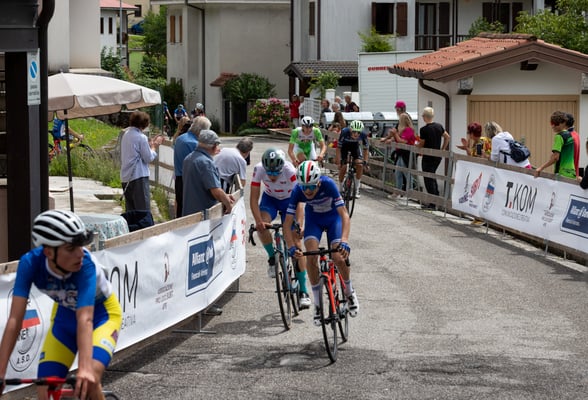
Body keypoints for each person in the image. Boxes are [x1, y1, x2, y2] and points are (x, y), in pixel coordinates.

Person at [0, 210, 122, 400]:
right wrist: (1, 372)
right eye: (71, 248)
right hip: (65, 317)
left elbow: (85, 318)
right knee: (46, 388)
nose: (80, 253)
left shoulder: (86, 265)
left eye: (81, 245)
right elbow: (15, 319)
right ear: (49, 252)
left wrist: (85, 368)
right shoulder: (29, 263)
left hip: (101, 316)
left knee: (89, 380)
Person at [283, 161, 359, 326]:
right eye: (304, 187)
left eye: (311, 186)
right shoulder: (297, 190)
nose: (308, 191)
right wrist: (291, 247)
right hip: (314, 221)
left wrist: (344, 240)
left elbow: (344, 215)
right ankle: (317, 304)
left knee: (338, 257)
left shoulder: (328, 184)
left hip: (333, 219)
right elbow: (287, 223)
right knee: (311, 257)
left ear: (318, 182)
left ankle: (349, 291)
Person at [249, 148, 311, 308]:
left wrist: (299, 223)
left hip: (290, 201)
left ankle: (304, 291)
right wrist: (258, 221)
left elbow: (300, 201)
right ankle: (272, 257)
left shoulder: (290, 170)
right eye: (269, 173)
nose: (272, 177)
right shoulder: (258, 169)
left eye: (275, 173)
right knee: (262, 226)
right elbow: (253, 199)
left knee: (296, 243)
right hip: (270, 199)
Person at [182, 130, 235, 216]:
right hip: (203, 214)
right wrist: (228, 205)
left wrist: (225, 196)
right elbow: (216, 191)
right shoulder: (206, 163)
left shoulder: (188, 158)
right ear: (214, 146)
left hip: (189, 211)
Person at [120, 111, 164, 213]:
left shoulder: (126, 134)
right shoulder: (141, 137)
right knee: (143, 211)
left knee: (131, 211)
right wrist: (154, 146)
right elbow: (148, 158)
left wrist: (149, 145)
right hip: (138, 176)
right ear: (144, 124)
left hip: (126, 176)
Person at [173, 116, 212, 218]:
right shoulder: (194, 144)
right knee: (191, 214)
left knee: (180, 209)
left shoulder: (180, 138)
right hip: (189, 181)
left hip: (178, 178)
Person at [417, 107, 450, 210]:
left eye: (423, 116)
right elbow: (447, 137)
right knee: (432, 176)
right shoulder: (439, 126)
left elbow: (421, 144)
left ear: (425, 117)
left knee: (428, 178)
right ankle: (436, 199)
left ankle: (433, 203)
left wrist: (416, 146)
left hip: (428, 157)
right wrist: (442, 149)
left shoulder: (424, 129)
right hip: (437, 156)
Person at [534, 111, 576, 180]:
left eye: (556, 123)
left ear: (564, 123)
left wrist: (541, 168)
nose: (553, 126)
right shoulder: (570, 135)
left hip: (562, 173)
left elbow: (555, 158)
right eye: (552, 123)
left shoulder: (559, 136)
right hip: (571, 172)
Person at [336, 120, 369, 198]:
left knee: (360, 165)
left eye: (358, 132)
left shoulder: (364, 134)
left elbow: (366, 149)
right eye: (354, 132)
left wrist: (365, 162)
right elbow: (338, 148)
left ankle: (357, 189)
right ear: (350, 129)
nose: (356, 134)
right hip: (344, 147)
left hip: (355, 147)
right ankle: (340, 188)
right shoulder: (344, 132)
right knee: (343, 167)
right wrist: (338, 161)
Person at [390, 113, 417, 192]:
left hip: (406, 153)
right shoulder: (402, 130)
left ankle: (409, 192)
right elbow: (397, 139)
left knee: (406, 173)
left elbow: (403, 141)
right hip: (400, 153)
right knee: (398, 173)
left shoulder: (408, 130)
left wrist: (395, 134)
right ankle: (398, 191)